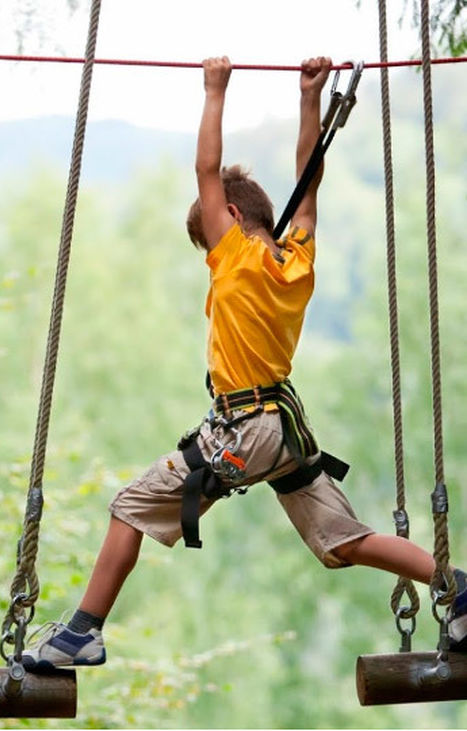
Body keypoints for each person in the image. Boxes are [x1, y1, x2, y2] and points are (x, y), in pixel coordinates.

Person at [23, 56, 466, 670]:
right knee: (342, 542)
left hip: (247, 425)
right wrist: (308, 99)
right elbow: (307, 187)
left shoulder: (232, 257)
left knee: (129, 506)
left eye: (209, 234)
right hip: (284, 430)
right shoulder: (296, 261)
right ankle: (459, 588)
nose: (210, 246)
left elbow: (208, 167)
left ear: (228, 220)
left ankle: (82, 632)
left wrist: (215, 90)